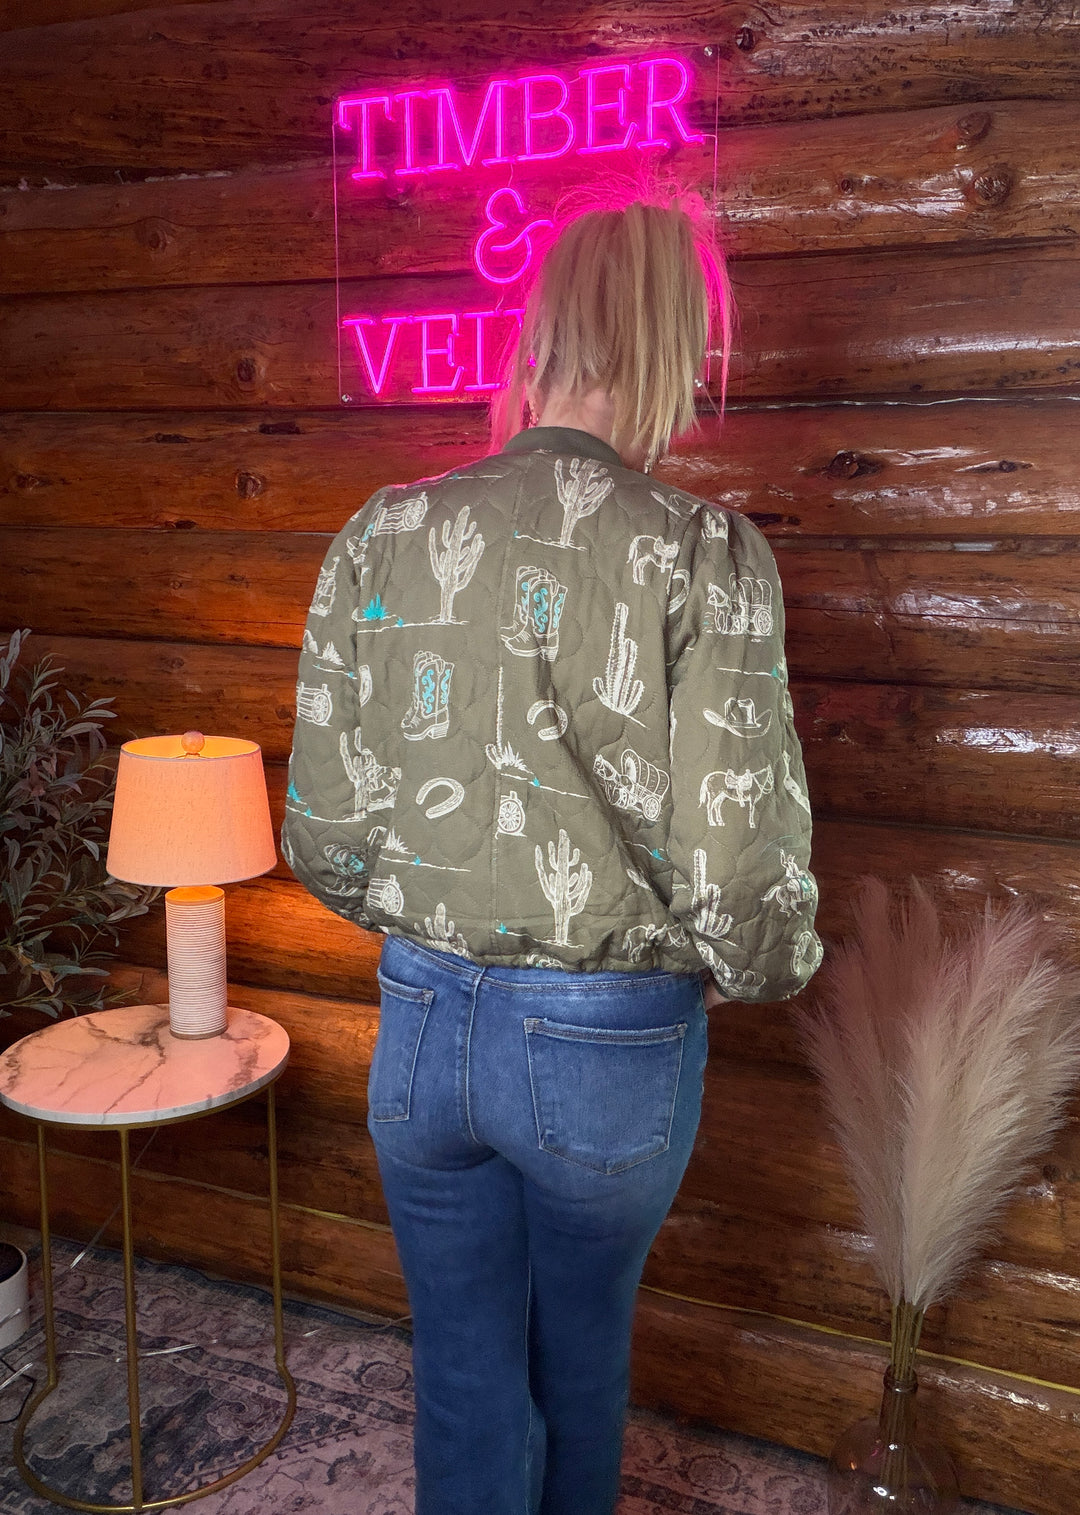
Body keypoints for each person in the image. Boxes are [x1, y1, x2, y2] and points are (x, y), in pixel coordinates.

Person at [282, 197, 821, 1515]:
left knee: (463, 1375)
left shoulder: (384, 531)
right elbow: (745, 884)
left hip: (419, 1020)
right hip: (608, 1047)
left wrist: (436, 918)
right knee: (577, 1368)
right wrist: (762, 969)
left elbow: (324, 831)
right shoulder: (704, 554)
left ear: (545, 329)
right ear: (670, 340)